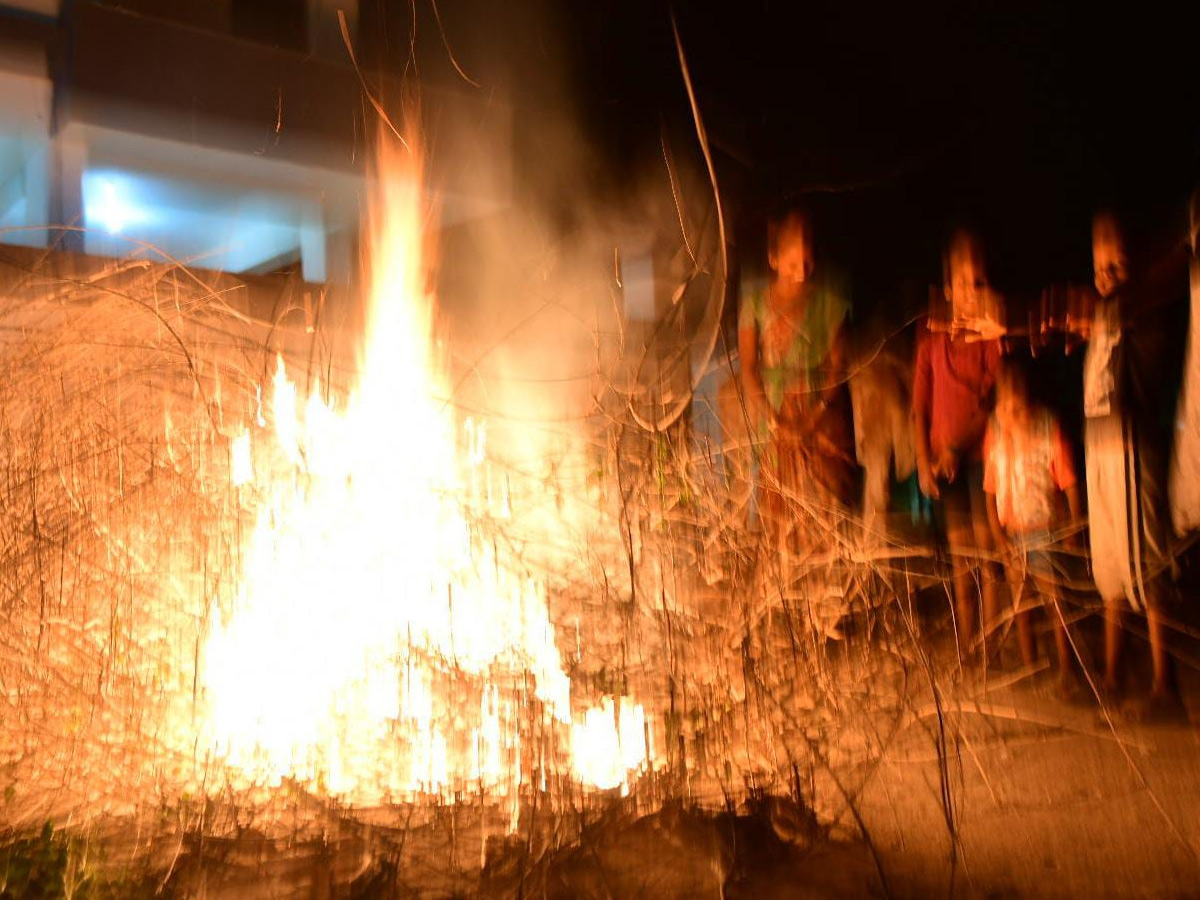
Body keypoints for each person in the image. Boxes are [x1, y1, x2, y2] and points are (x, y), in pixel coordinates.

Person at [1083, 210, 1188, 718]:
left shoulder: (1140, 309)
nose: (1107, 277)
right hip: (1100, 453)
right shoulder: (1104, 315)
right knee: (1108, 571)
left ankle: (1165, 687)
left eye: (1118, 265)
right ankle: (1110, 676)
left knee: (1145, 568)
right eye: (1100, 266)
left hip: (1130, 448)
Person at [738, 207, 857, 542]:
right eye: (793, 265)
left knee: (824, 514)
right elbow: (748, 368)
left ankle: (830, 590)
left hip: (822, 422)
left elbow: (838, 367)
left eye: (807, 263)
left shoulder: (830, 305)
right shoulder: (755, 305)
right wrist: (774, 420)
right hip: (773, 418)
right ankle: (785, 590)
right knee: (779, 512)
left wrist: (812, 418)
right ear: (774, 259)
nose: (802, 273)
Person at [912, 229, 1003, 664]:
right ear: (948, 288)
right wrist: (924, 462)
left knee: (988, 557)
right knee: (963, 561)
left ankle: (994, 645)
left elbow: (989, 406)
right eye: (964, 283)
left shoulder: (990, 339)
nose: (971, 292)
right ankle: (969, 646)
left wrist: (956, 448)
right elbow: (918, 409)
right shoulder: (931, 343)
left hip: (981, 461)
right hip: (945, 466)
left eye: (979, 282)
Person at [983, 362, 1084, 693]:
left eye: (1017, 406)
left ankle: (1068, 668)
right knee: (1020, 602)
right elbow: (991, 489)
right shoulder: (995, 431)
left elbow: (1069, 482)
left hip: (1045, 528)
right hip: (1014, 531)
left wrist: (1073, 529)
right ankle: (1030, 664)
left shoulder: (1047, 426)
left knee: (1055, 600)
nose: (1011, 414)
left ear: (1029, 401)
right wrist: (999, 538)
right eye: (1005, 406)